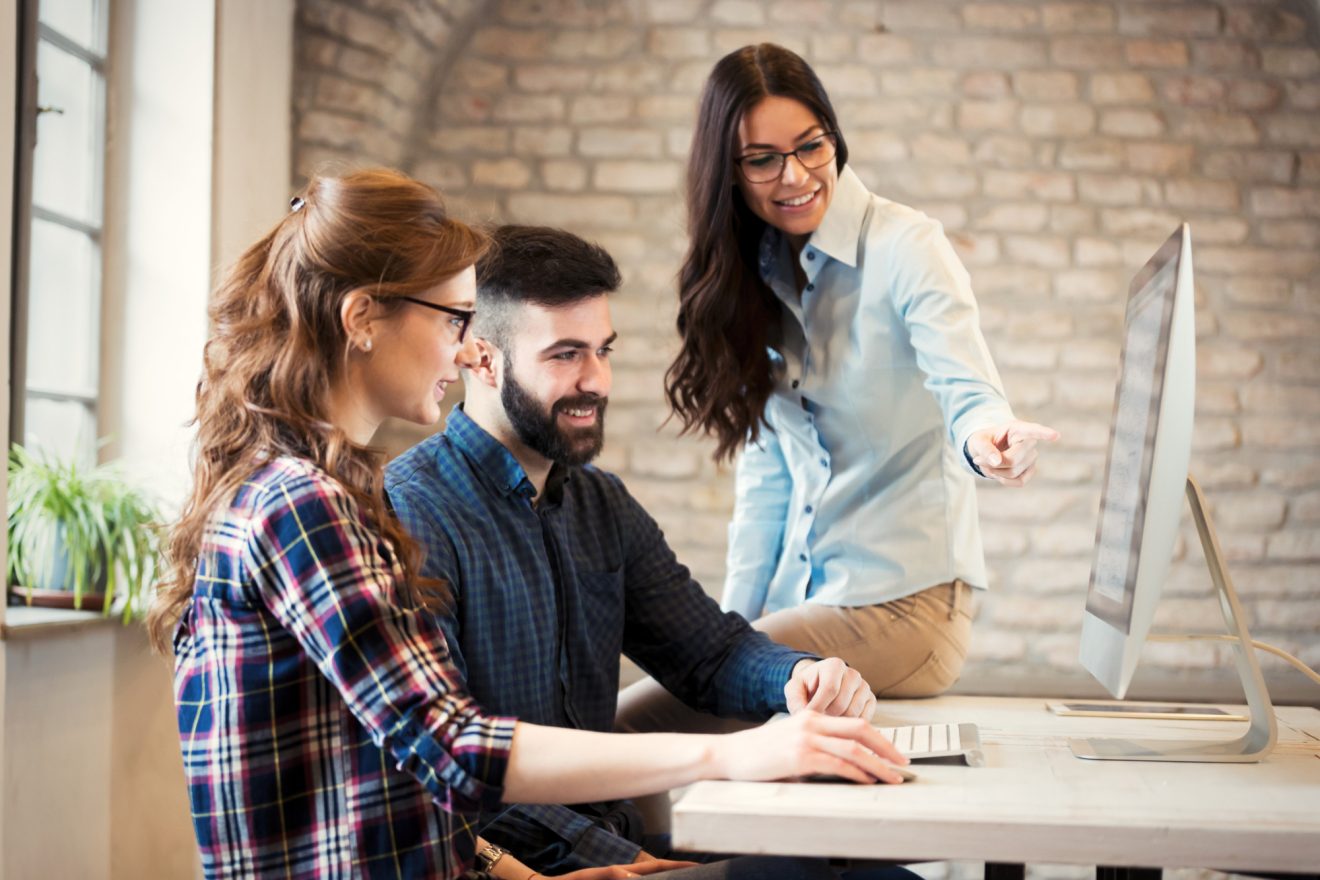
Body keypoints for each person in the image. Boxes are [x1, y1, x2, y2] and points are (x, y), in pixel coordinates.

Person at [147, 169, 911, 880]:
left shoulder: (321, 494)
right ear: (363, 320)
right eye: (452, 319)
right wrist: (731, 759)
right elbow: (453, 748)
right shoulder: (307, 505)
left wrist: (792, 686)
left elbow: (409, 788)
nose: (462, 343)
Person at [385, 224, 886, 875]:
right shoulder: (410, 514)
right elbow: (447, 768)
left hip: (618, 839)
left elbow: (710, 652)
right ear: (481, 359)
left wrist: (798, 677)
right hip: (541, 865)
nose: (597, 380)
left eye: (604, 350)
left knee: (865, 866)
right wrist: (630, 857)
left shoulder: (602, 505)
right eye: (566, 354)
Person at [618, 44, 1060, 734]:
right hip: (811, 610)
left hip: (907, 612)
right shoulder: (754, 276)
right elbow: (768, 481)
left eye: (810, 146)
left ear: (832, 135)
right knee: (686, 689)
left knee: (630, 724)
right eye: (762, 159)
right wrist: (724, 636)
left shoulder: (907, 247)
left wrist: (988, 440)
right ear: (727, 173)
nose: (794, 176)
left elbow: (964, 388)